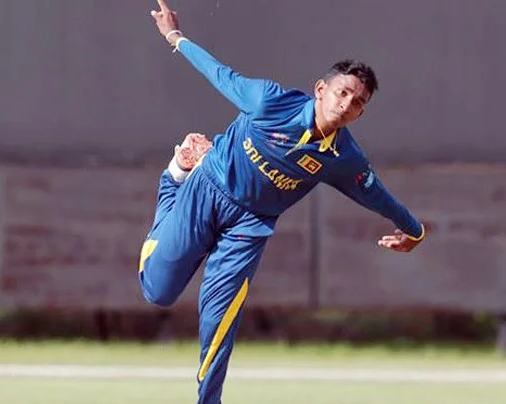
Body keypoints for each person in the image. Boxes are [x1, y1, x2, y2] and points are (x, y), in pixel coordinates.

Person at [139, 1, 426, 402]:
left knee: (220, 321)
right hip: (208, 189)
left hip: (248, 228)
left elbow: (379, 196)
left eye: (358, 102)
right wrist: (174, 36)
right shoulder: (268, 101)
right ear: (321, 89)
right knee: (158, 292)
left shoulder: (344, 158)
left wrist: (415, 230)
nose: (346, 104)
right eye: (342, 92)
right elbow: (219, 73)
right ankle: (174, 176)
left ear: (360, 114)